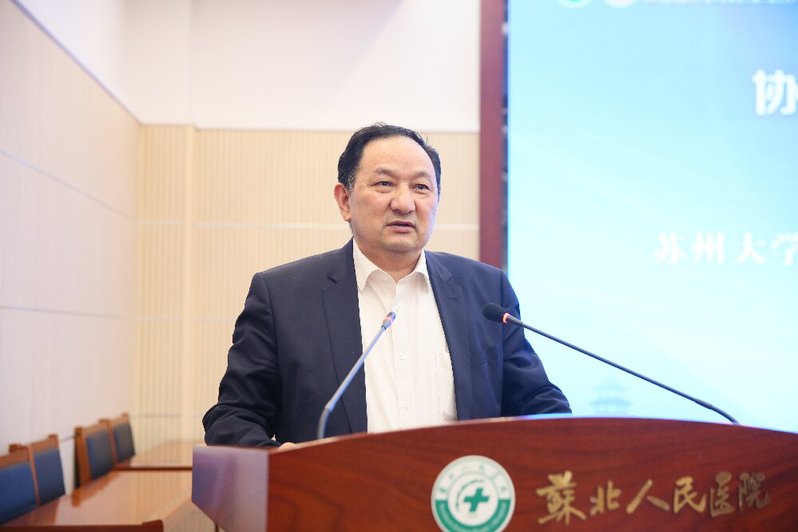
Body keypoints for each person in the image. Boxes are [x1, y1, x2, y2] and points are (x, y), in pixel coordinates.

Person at [203, 123, 570, 447]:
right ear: (345, 201)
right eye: (384, 184)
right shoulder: (284, 297)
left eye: (421, 187)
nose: (404, 203)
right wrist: (283, 462)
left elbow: (540, 404)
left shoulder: (486, 292)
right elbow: (233, 418)